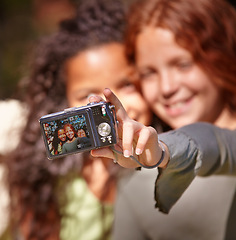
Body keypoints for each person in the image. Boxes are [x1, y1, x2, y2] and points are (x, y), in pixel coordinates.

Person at [89, 0, 236, 239]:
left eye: (183, 65)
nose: (166, 88)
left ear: (223, 55)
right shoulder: (133, 175)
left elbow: (217, 145)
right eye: (149, 73)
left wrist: (165, 151)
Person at [6, 0, 151, 239]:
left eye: (126, 85)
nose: (110, 107)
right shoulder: (48, 175)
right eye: (86, 95)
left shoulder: (161, 156)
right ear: (63, 103)